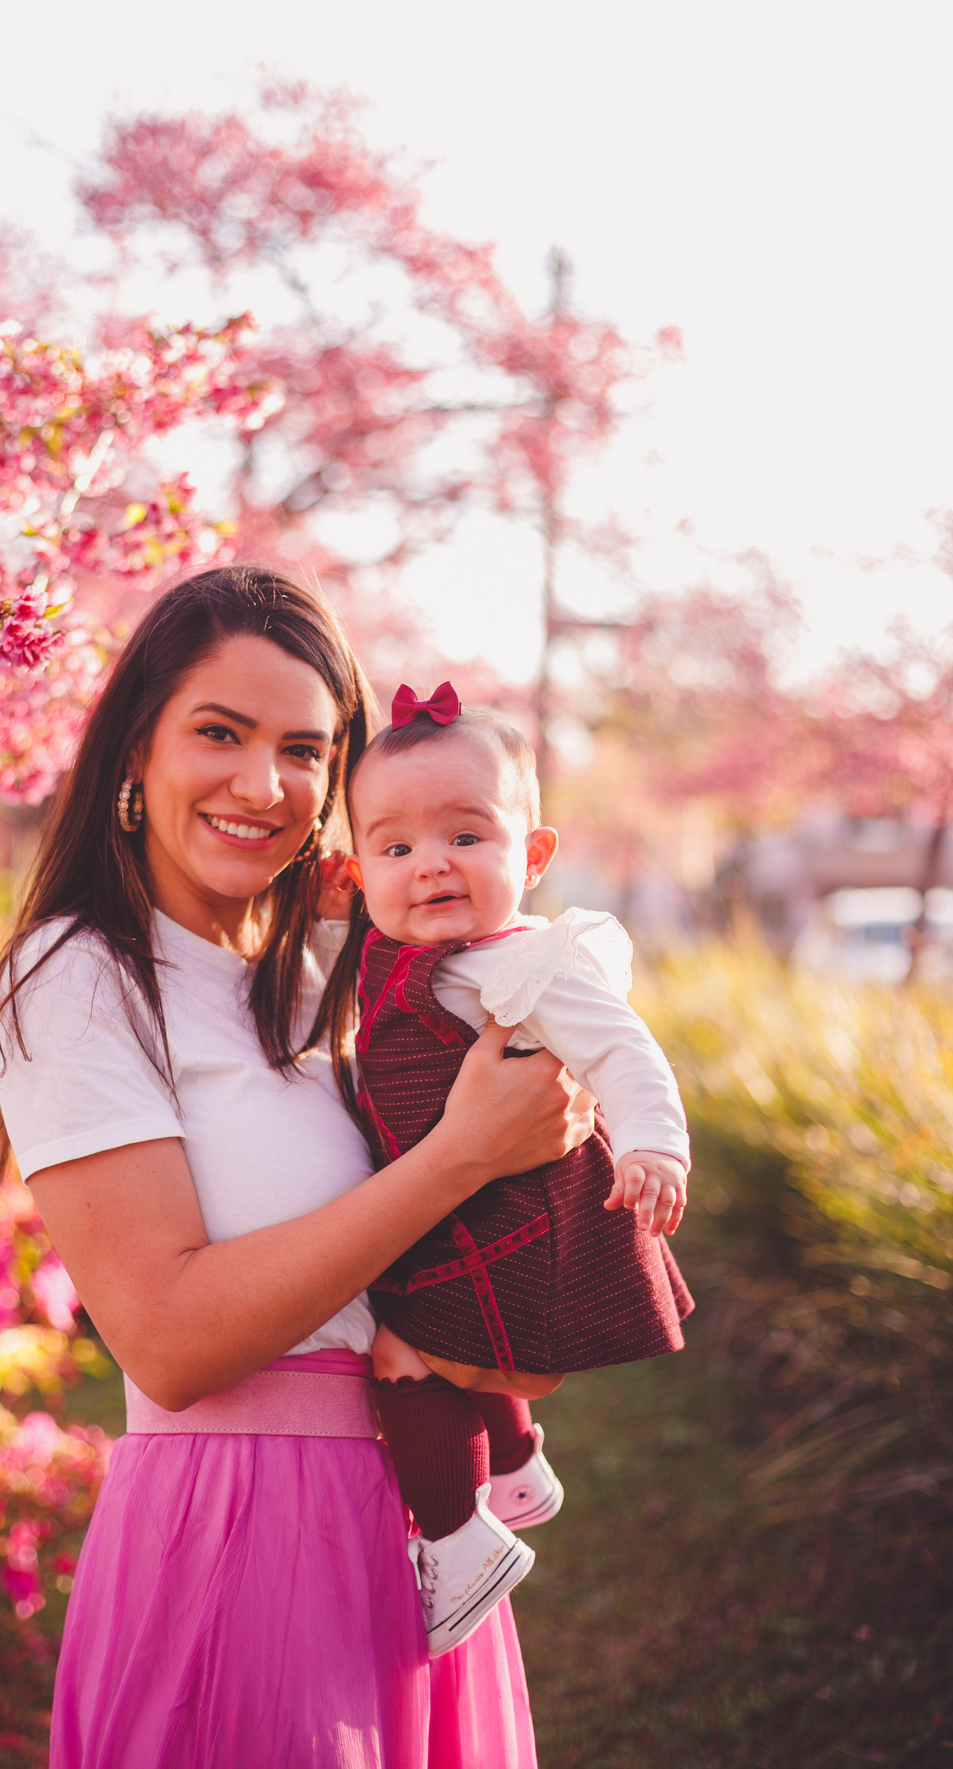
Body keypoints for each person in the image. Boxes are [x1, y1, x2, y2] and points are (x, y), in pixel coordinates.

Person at [0, 568, 597, 1769]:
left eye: (306, 751)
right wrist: (465, 1156)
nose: (264, 786)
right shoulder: (80, 978)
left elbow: (459, 1296)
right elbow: (169, 1339)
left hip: (419, 1527)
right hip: (238, 1528)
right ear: (135, 747)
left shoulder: (325, 982)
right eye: (220, 733)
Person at [314, 683, 694, 1657]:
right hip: (457, 1206)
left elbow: (624, 1051)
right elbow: (341, 980)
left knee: (403, 1358)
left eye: (465, 837)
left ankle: (458, 1540)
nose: (430, 865)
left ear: (531, 855)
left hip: (509, 1221)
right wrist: (325, 922)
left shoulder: (528, 964)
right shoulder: (391, 947)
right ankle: (517, 1465)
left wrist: (655, 1144)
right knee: (442, 1344)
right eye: (395, 848)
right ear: (363, 871)